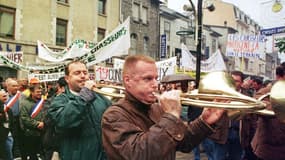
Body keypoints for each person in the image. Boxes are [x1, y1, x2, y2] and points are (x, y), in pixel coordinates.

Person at [102, 54, 225, 160]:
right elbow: (137, 154)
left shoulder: (157, 108)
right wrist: (171, 116)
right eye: (148, 79)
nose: (155, 84)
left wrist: (203, 121)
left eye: (156, 78)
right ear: (128, 81)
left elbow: (183, 142)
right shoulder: (114, 115)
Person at [48, 60, 111, 160]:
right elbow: (64, 121)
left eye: (85, 73)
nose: (83, 76)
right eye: (77, 73)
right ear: (67, 79)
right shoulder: (60, 100)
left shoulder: (100, 98)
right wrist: (84, 96)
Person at [250, 65, 285, 160]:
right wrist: (278, 107)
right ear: (279, 77)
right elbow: (255, 104)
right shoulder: (266, 92)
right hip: (268, 149)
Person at [19, 84, 45, 160]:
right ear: (31, 92)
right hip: (31, 133)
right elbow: (24, 118)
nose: (40, 93)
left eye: (41, 91)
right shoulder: (24, 103)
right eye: (37, 92)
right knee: (32, 154)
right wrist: (37, 124)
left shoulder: (44, 102)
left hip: (44, 132)